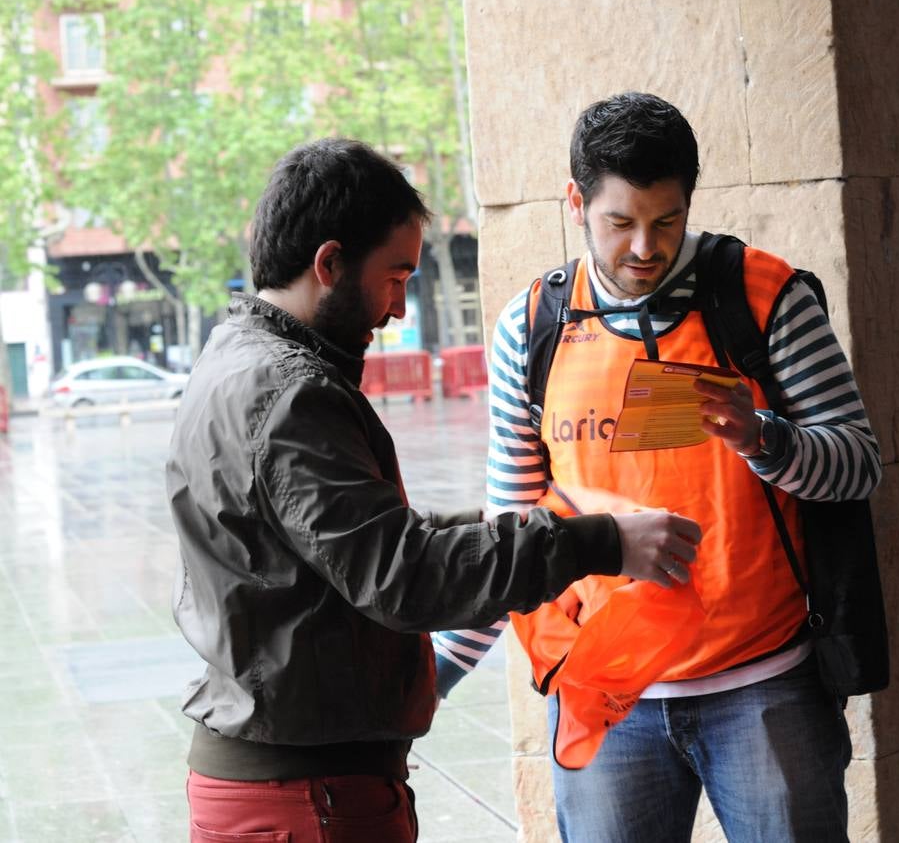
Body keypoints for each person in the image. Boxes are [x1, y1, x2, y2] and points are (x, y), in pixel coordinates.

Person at [166, 137, 701, 842]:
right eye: (395, 275)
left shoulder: (233, 362)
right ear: (329, 264)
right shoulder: (291, 394)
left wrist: (508, 523)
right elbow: (402, 574)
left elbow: (357, 540)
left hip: (283, 781)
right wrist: (599, 542)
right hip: (306, 796)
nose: (396, 308)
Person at [433, 92, 882, 842]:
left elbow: (859, 466)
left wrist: (763, 436)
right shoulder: (534, 325)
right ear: (575, 201)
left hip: (764, 687)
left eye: (666, 222)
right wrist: (438, 675)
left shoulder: (763, 296)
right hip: (605, 698)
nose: (645, 246)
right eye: (620, 223)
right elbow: (512, 530)